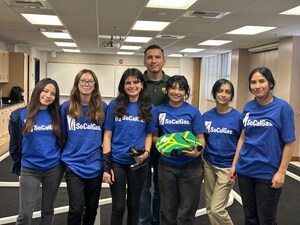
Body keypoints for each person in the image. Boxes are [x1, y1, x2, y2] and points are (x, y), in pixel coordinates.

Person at [229, 67, 296, 225]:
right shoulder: (248, 108)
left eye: (262, 81)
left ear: (271, 83)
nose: (257, 86)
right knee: (250, 218)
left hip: (267, 173)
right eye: (253, 82)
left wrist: (281, 172)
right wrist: (234, 165)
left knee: (266, 220)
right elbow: (243, 138)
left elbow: (289, 142)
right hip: (246, 170)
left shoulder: (282, 108)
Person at [102, 68, 157, 225]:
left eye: (136, 82)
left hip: (138, 163)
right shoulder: (114, 105)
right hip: (118, 162)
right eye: (128, 82)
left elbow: (148, 135)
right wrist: (107, 166)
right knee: (118, 207)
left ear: (142, 85)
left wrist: (145, 153)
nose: (132, 86)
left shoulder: (149, 108)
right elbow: (107, 135)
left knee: (134, 205)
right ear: (123, 85)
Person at [9, 78, 64, 225]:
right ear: (37, 91)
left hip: (53, 169)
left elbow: (63, 140)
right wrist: (18, 167)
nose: (48, 96)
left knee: (48, 211)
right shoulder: (19, 115)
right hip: (30, 169)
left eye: (53, 93)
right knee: (25, 215)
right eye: (45, 91)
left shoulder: (57, 115)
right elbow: (14, 145)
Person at [153, 75, 206, 225]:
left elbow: (201, 138)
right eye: (173, 87)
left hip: (191, 166)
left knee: (187, 212)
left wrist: (198, 151)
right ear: (167, 90)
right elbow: (154, 137)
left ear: (186, 92)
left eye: (181, 89)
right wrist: (169, 144)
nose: (177, 92)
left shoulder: (193, 112)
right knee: (167, 210)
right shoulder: (159, 111)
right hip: (167, 166)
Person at [60, 69, 106, 225]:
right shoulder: (67, 107)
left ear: (95, 85)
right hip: (73, 164)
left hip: (95, 165)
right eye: (83, 81)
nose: (86, 84)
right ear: (77, 84)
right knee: (76, 209)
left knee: (92, 208)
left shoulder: (102, 107)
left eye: (90, 81)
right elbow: (61, 135)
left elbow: (106, 137)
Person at [202, 79, 242, 225]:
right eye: (220, 91)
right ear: (214, 93)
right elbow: (202, 140)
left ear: (231, 95)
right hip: (208, 164)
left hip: (227, 167)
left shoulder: (238, 118)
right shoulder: (206, 116)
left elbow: (241, 144)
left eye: (228, 92)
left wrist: (235, 166)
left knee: (217, 209)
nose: (223, 95)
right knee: (209, 207)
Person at [140, 44, 170, 225]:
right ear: (145, 61)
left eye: (157, 57)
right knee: (142, 188)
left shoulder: (172, 84)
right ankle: (144, 221)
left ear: (164, 60)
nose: (153, 60)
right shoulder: (137, 82)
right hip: (142, 142)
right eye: (150, 57)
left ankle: (158, 221)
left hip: (164, 142)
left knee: (162, 188)